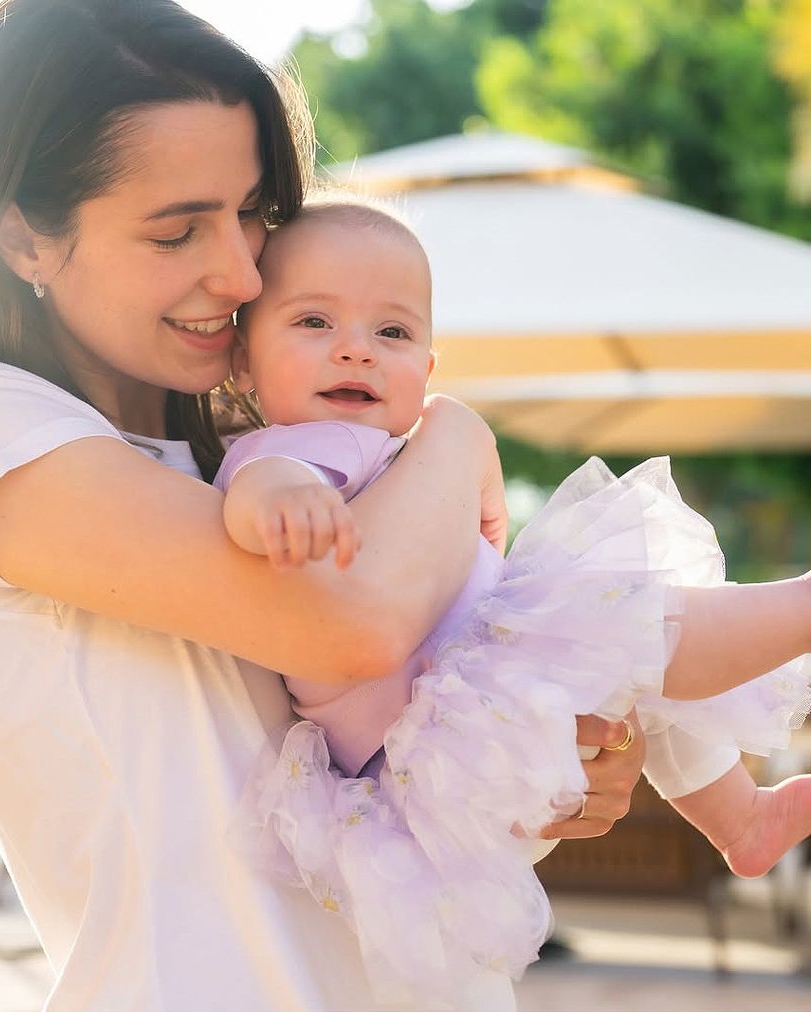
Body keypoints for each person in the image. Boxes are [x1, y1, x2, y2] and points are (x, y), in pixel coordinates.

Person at [0, 3, 648, 1011]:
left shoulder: (248, 455)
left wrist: (545, 757)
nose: (240, 270)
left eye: (250, 213)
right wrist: (457, 432)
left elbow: (369, 739)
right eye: (177, 228)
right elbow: (353, 622)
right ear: (23, 235)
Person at [215, 196, 811, 1006]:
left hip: (469, 709)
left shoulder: (409, 448)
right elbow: (255, 487)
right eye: (314, 322)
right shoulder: (286, 452)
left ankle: (742, 820)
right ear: (244, 362)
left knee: (648, 668)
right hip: (442, 718)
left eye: (392, 333)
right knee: (648, 626)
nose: (355, 351)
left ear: (427, 370)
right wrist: (285, 501)